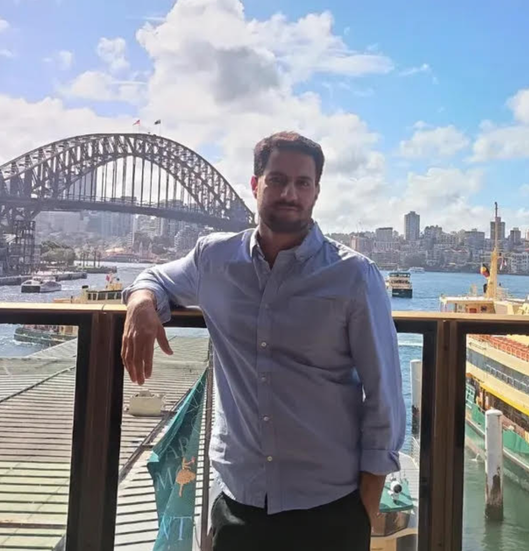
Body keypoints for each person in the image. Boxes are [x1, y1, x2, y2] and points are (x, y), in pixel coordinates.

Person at [121, 131, 404, 551]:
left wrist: (363, 511)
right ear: (255, 185)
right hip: (241, 502)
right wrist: (142, 301)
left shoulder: (355, 276)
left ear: (316, 192)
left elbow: (385, 399)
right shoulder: (214, 259)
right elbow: (157, 278)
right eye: (277, 180)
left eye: (302, 183)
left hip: (329, 506)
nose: (290, 193)